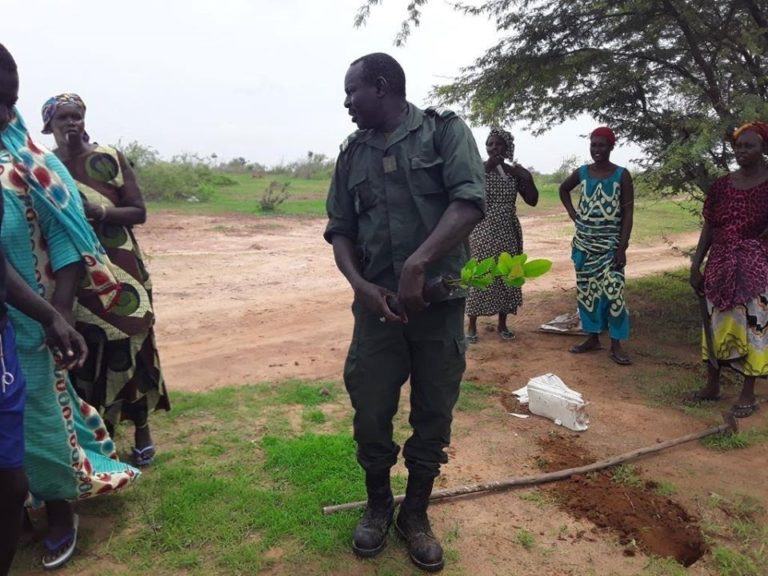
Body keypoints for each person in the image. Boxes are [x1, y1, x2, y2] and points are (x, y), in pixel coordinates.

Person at [325, 52, 485, 572]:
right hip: (376, 310)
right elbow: (340, 230)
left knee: (434, 411)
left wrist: (420, 262)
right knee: (371, 409)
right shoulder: (351, 155)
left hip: (438, 305)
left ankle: (415, 513)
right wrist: (361, 285)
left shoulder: (443, 134)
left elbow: (469, 202)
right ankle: (377, 505)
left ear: (381, 85)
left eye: (353, 91)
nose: (346, 101)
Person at [0, 43, 139, 571]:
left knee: (41, 417)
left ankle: (59, 508)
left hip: (29, 320)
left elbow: (65, 243)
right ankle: (16, 505)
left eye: (5, 102)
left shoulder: (32, 166)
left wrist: (55, 316)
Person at [42, 94, 169, 466]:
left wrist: (99, 211)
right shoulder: (45, 167)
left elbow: (139, 212)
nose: (71, 124)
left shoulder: (108, 157)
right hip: (73, 276)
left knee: (133, 347)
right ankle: (101, 439)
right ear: (48, 125)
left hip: (123, 270)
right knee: (90, 354)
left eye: (76, 116)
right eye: (62, 118)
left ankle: (143, 432)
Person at [688, 122, 768, 418]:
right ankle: (713, 384)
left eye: (749, 146)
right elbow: (709, 226)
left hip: (756, 266)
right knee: (715, 323)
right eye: (738, 146)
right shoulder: (722, 186)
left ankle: (748, 392)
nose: (742, 151)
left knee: (753, 326)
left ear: (763, 149)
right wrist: (696, 264)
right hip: (720, 264)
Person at [559, 127, 634, 365]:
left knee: (614, 293)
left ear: (611, 147)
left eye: (602, 145)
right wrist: (574, 214)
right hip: (584, 246)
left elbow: (628, 212)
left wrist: (622, 247)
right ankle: (592, 338)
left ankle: (616, 344)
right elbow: (563, 189)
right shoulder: (582, 172)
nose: (597, 150)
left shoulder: (621, 175)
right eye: (593, 145)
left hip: (610, 246)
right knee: (587, 293)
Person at [466, 128, 538, 343]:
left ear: (507, 148)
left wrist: (528, 178)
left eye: (498, 144)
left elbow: (532, 200)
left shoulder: (513, 173)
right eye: (490, 144)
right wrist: (484, 170)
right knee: (480, 272)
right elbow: (467, 191)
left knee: (506, 274)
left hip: (508, 229)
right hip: (482, 229)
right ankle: (471, 325)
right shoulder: (477, 169)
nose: (493, 148)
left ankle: (502, 323)